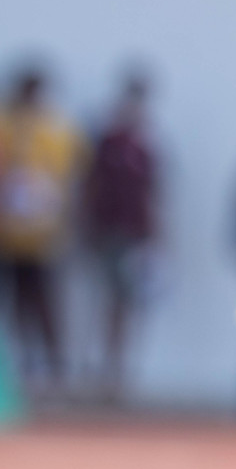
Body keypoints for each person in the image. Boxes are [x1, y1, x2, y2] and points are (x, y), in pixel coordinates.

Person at [0, 67, 83, 393]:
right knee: (11, 304)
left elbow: (67, 176)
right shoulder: (1, 126)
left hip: (42, 237)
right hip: (8, 238)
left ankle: (55, 367)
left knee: (45, 303)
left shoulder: (55, 129)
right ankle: (18, 365)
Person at [82, 72, 158, 403]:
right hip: (110, 233)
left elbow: (152, 195)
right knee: (109, 303)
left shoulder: (145, 149)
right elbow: (91, 186)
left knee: (126, 305)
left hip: (134, 237)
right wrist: (89, 228)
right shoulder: (108, 143)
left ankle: (118, 373)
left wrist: (154, 235)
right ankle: (103, 372)